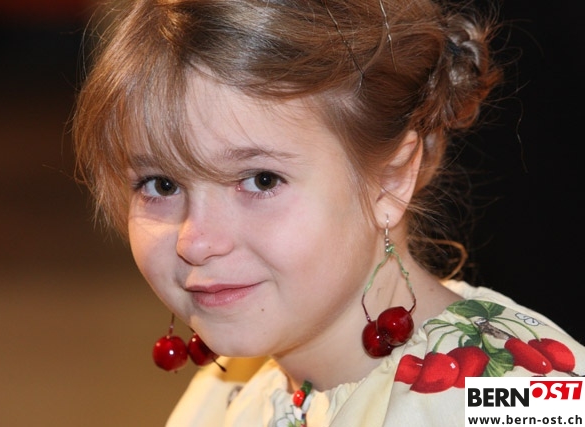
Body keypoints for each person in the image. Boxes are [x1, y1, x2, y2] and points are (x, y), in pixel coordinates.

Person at [72, 0, 585, 425]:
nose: (195, 241)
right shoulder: (229, 391)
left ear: (391, 180)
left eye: (261, 180)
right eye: (160, 185)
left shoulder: (516, 400)